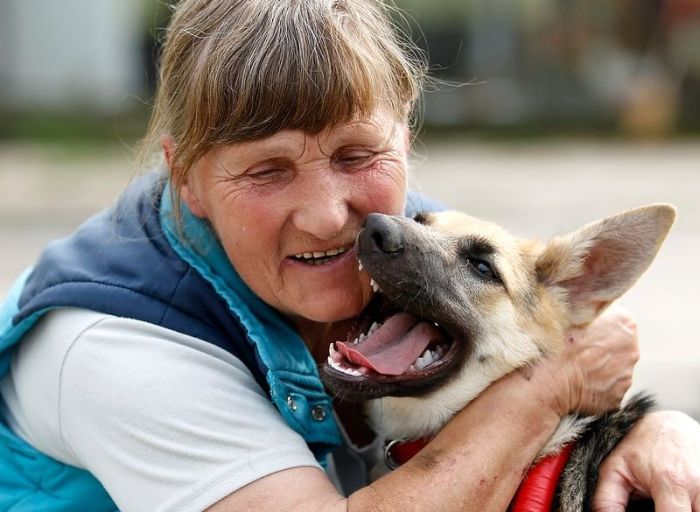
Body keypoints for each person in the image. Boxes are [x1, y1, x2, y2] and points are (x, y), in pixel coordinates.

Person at [0, 1, 698, 511]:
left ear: (405, 134)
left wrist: (654, 431)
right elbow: (554, 361)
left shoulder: (404, 233)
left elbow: (534, 314)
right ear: (188, 180)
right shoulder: (118, 351)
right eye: (267, 171)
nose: (332, 217)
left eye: (357, 154)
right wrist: (550, 388)